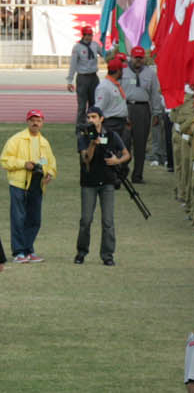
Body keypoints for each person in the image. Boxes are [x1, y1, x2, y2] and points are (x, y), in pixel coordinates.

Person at [75, 106, 129, 266]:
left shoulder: (111, 135)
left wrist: (117, 161)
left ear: (101, 118)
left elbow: (126, 154)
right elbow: (86, 159)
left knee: (108, 220)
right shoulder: (83, 137)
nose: (90, 120)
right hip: (89, 183)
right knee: (86, 219)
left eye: (93, 117)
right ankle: (81, 252)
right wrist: (92, 144)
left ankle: (107, 255)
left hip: (107, 182)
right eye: (88, 117)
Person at [3, 109, 57, 263]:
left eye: (38, 120)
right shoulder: (16, 140)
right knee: (18, 218)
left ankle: (28, 249)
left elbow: (50, 161)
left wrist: (50, 173)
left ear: (42, 123)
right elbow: (5, 160)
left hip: (37, 185)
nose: (35, 123)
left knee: (34, 219)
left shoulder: (44, 142)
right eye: (32, 120)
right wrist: (23, 164)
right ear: (27, 122)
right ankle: (18, 252)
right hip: (19, 184)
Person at [121, 46, 162, 183]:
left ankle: (137, 175)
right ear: (131, 57)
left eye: (140, 58)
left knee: (140, 144)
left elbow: (155, 94)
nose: (138, 60)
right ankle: (122, 173)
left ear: (144, 58)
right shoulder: (123, 71)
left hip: (143, 110)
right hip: (126, 108)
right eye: (136, 57)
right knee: (124, 142)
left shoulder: (150, 74)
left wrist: (156, 113)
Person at [66, 27, 105, 124]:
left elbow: (105, 54)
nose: (89, 37)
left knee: (94, 103)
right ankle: (80, 127)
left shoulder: (95, 45)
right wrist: (69, 81)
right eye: (87, 35)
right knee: (82, 105)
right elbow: (73, 65)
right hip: (83, 78)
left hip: (94, 77)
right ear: (83, 35)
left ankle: (93, 125)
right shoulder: (77, 47)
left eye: (91, 35)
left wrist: (115, 52)